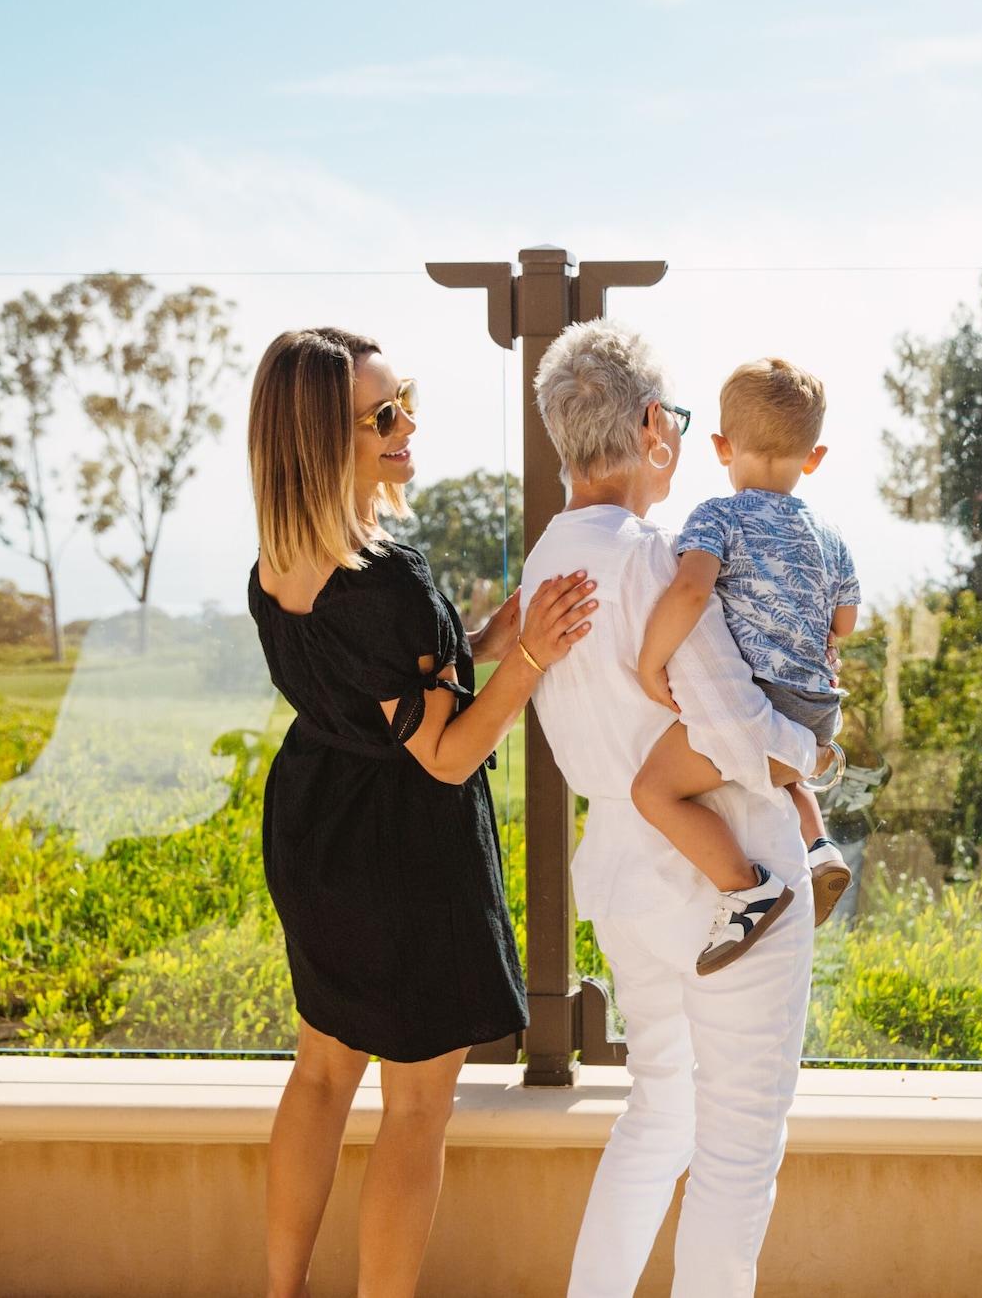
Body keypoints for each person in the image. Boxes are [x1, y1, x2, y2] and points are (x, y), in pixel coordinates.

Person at [245, 327, 595, 1298]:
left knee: (321, 1072)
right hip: (404, 853)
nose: (406, 428)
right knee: (412, 1107)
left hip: (315, 832)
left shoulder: (276, 564)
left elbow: (383, 691)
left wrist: (493, 629)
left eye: (407, 403)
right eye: (382, 416)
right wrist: (532, 659)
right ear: (322, 439)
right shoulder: (385, 578)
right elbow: (443, 753)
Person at [517, 319, 838, 1297]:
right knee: (738, 1151)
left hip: (619, 870)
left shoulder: (542, 564)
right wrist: (810, 753)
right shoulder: (653, 558)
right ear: (653, 424)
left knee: (658, 1114)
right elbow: (733, 724)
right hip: (720, 870)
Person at [633, 356, 858, 973]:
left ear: (721, 446)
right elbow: (845, 624)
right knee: (791, 771)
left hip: (757, 702)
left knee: (652, 790)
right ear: (813, 457)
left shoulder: (717, 516)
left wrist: (651, 664)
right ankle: (819, 848)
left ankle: (744, 887)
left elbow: (689, 592)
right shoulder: (830, 535)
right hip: (817, 711)